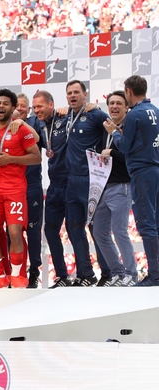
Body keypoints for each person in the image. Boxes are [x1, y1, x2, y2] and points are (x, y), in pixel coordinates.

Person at [0, 89, 41, 288]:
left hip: (15, 189)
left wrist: (11, 159)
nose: (1, 106)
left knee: (14, 232)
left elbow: (37, 157)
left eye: (6, 103)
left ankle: (17, 275)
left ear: (13, 108)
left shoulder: (20, 129)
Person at [104, 75, 159, 286]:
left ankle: (154, 276)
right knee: (155, 224)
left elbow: (125, 148)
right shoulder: (155, 110)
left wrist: (114, 134)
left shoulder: (134, 114)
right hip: (154, 168)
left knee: (146, 225)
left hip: (142, 171)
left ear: (128, 92)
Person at [64, 80, 111, 286]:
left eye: (76, 92)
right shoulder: (65, 115)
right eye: (69, 93)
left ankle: (109, 273)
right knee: (73, 227)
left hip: (91, 179)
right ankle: (86, 274)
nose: (72, 96)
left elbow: (113, 129)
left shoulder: (97, 114)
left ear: (85, 94)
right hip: (71, 180)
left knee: (96, 228)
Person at [93, 91, 138, 287]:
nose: (114, 106)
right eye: (111, 103)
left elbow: (131, 156)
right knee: (99, 232)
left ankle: (132, 274)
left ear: (126, 106)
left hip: (122, 185)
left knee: (119, 231)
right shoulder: (105, 127)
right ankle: (118, 273)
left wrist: (111, 152)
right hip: (102, 185)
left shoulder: (130, 127)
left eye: (119, 103)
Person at [31, 91, 72, 288]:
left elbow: (87, 114)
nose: (36, 110)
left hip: (72, 183)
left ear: (51, 104)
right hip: (54, 185)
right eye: (34, 107)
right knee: (50, 230)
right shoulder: (37, 124)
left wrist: (71, 109)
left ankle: (85, 274)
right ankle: (62, 275)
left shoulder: (65, 117)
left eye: (40, 106)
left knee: (75, 230)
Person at [17, 93, 45, 288]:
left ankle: (34, 270)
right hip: (13, 187)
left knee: (33, 232)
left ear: (29, 109)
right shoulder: (4, 126)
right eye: (16, 106)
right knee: (14, 231)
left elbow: (40, 139)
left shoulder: (35, 123)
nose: (19, 109)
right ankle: (17, 271)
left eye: (23, 106)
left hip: (33, 185)